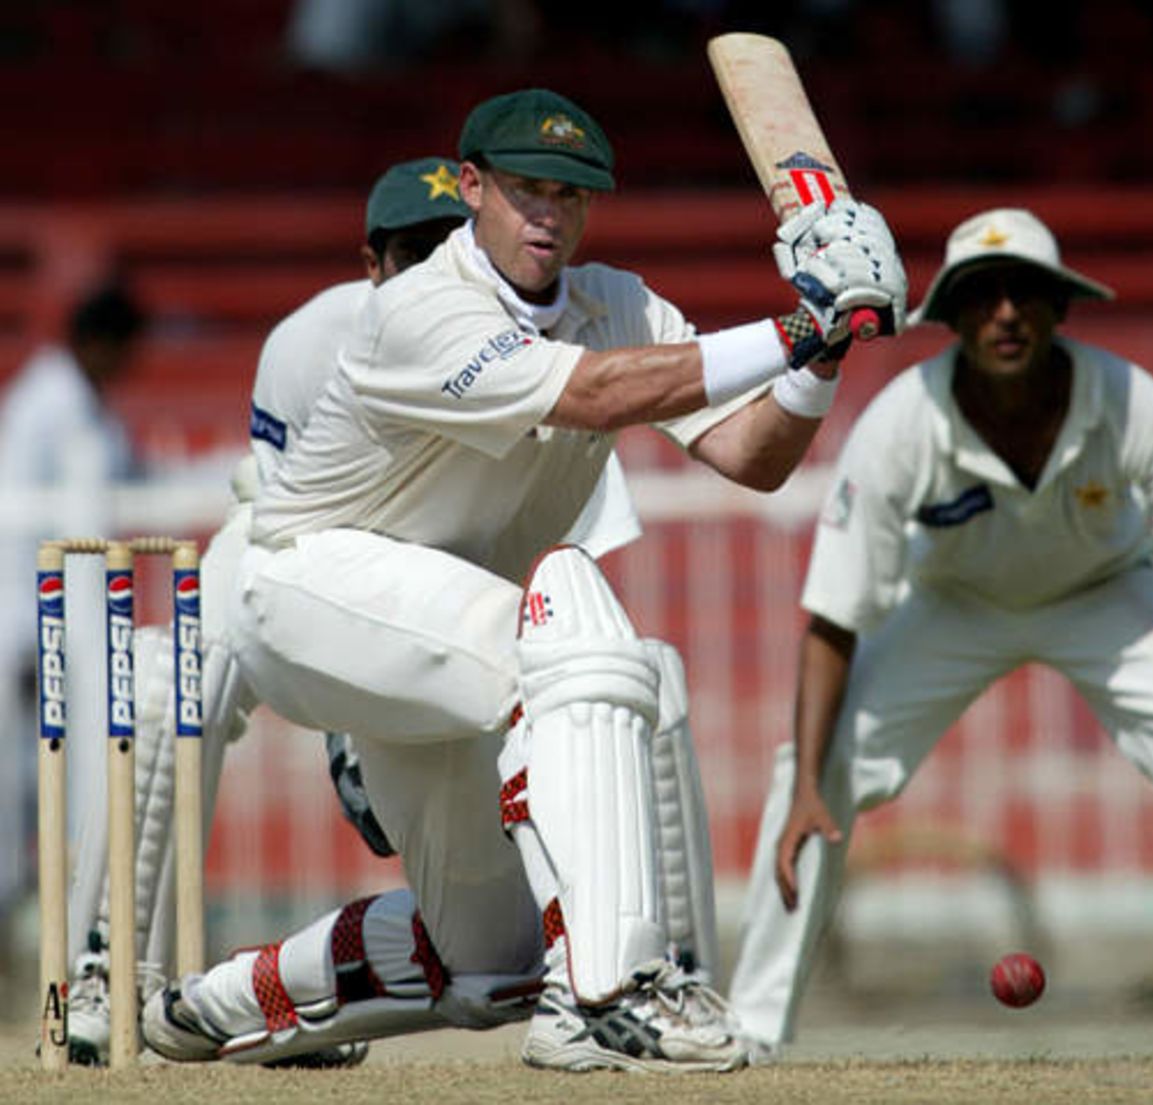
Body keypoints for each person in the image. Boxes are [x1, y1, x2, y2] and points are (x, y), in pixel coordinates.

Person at [139, 87, 907, 1074]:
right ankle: (614, 992)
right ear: (472, 188)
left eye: (570, 194)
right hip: (303, 586)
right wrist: (801, 321)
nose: (548, 213)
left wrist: (825, 352)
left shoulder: (617, 303)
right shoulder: (421, 306)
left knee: (490, 962)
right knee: (572, 619)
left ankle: (211, 1006)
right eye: (525, 190)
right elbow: (591, 392)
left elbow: (751, 455)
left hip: (439, 627)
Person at [727, 207, 1153, 1060]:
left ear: (1060, 307)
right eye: (983, 296)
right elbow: (832, 616)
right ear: (951, 316)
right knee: (810, 772)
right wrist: (809, 780)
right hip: (954, 600)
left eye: (1026, 293)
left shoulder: (1135, 404)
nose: (1007, 314)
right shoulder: (900, 424)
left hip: (1107, 592)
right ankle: (752, 1032)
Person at [62, 157, 477, 1066]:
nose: (437, 276)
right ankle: (102, 973)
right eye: (416, 254)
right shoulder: (309, 341)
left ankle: (635, 982)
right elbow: (289, 533)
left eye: (457, 250)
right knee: (169, 674)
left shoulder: (541, 346)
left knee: (630, 678)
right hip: (316, 569)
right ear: (373, 263)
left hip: (461, 612)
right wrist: (341, 721)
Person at [0, 283, 144, 986]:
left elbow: (135, 484)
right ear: (100, 342)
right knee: (12, 796)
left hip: (65, 634)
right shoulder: (45, 404)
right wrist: (27, 640)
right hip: (26, 629)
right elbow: (14, 525)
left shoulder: (86, 407)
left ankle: (57, 954)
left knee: (60, 794)